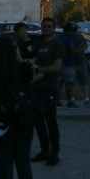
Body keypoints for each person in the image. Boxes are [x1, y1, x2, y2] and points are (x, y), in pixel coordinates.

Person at [0, 34, 36, 179]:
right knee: (23, 162)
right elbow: (30, 79)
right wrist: (20, 58)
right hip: (22, 118)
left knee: (5, 163)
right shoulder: (24, 69)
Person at [29, 17, 64, 166]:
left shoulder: (58, 45)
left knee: (51, 122)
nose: (47, 28)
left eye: (49, 26)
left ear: (54, 28)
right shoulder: (40, 44)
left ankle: (55, 153)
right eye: (44, 26)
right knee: (38, 122)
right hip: (36, 87)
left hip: (50, 87)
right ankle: (45, 151)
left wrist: (38, 70)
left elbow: (57, 67)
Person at [55, 22, 84, 108]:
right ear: (69, 31)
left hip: (59, 63)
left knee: (59, 84)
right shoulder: (69, 40)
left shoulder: (59, 38)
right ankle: (70, 102)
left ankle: (57, 101)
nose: (74, 33)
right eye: (73, 31)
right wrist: (80, 47)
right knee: (69, 84)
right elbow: (73, 51)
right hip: (68, 64)